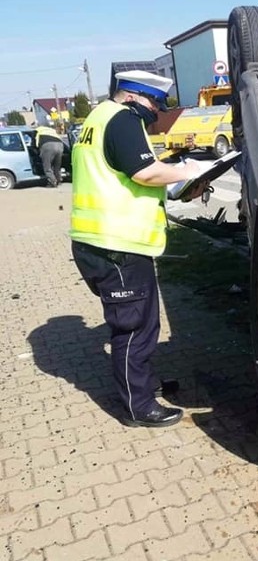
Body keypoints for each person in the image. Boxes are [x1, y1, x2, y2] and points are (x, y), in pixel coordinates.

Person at [69, 70, 208, 428]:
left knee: (138, 323)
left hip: (102, 242)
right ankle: (139, 407)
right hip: (115, 246)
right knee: (134, 329)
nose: (155, 112)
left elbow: (121, 180)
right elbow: (143, 173)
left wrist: (180, 188)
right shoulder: (123, 120)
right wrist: (188, 169)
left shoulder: (96, 119)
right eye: (152, 104)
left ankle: (141, 385)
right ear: (131, 97)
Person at [36, 123, 65, 187]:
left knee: (47, 166)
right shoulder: (51, 130)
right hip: (60, 144)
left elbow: (34, 142)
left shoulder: (37, 130)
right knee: (57, 166)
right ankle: (59, 180)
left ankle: (52, 181)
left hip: (48, 146)